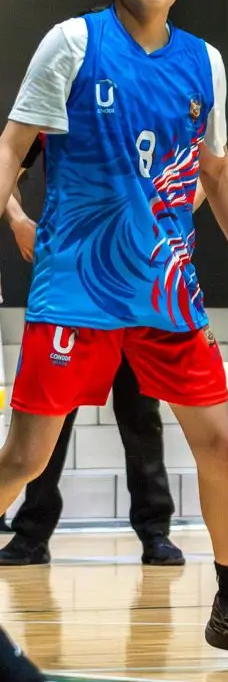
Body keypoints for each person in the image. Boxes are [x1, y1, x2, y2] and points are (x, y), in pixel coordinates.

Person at [0, 0, 228, 664]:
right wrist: (9, 213)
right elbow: (15, 142)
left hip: (167, 291)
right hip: (79, 288)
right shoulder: (73, 43)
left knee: (219, 443)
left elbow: (214, 169)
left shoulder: (205, 61)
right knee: (27, 458)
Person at [0, 149, 182, 568]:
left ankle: (156, 533)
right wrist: (18, 221)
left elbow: (209, 170)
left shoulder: (147, 115)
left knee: (141, 415)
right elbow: (9, 156)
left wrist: (163, 223)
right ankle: (31, 533)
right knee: (48, 422)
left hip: (135, 291)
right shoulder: (61, 103)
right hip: (72, 290)